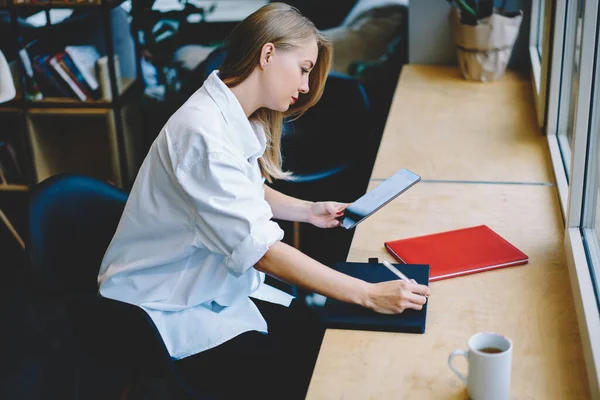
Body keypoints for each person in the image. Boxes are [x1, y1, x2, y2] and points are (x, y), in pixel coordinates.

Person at [98, 3, 431, 399]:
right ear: (268, 54)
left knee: (313, 332)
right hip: (156, 308)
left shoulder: (230, 111)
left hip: (202, 286)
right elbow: (263, 252)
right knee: (305, 363)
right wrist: (365, 292)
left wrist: (307, 211)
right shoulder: (203, 137)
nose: (306, 86)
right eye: (304, 68)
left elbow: (244, 189)